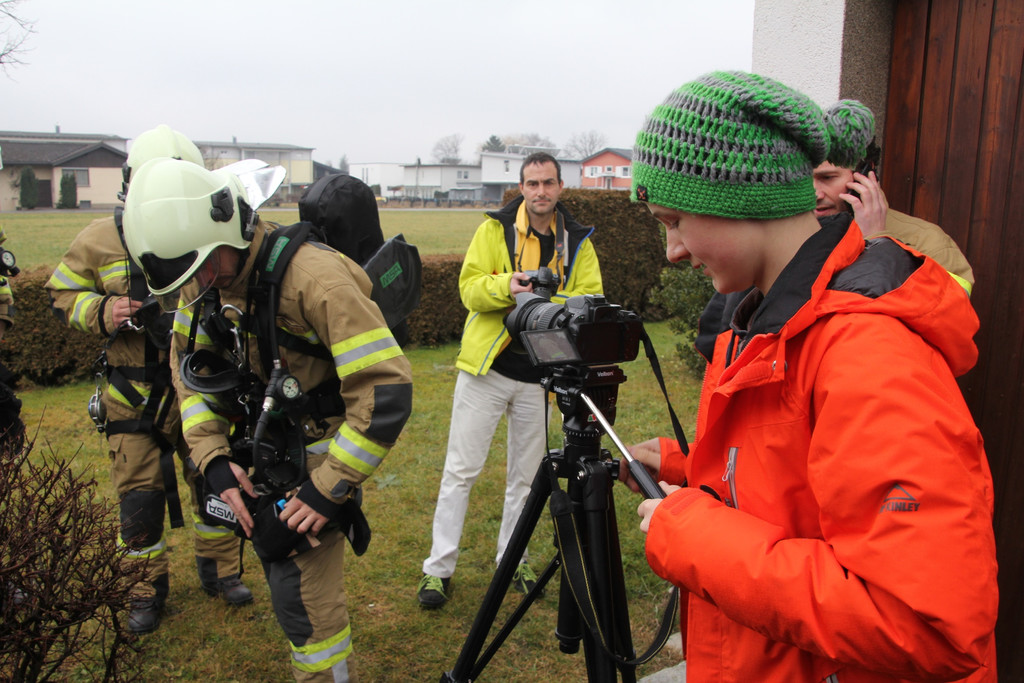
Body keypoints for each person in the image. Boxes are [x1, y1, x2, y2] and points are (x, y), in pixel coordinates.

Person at [621, 71, 997, 682]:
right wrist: (681, 468)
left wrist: (693, 536)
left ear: (740, 200)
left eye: (674, 220)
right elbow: (796, 485)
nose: (674, 250)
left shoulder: (868, 354)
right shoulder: (759, 324)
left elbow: (929, 626)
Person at [122, 157, 412, 682]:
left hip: (321, 454)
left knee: (302, 598)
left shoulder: (315, 279)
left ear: (229, 230)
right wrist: (212, 460)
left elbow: (385, 389)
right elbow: (189, 375)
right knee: (283, 573)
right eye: (187, 272)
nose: (197, 282)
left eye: (203, 266)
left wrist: (327, 489)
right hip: (267, 446)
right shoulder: (202, 276)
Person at [45, 125, 251, 635]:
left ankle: (222, 572)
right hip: (132, 395)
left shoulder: (206, 229)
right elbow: (61, 294)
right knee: (139, 500)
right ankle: (143, 591)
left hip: (198, 388)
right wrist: (103, 310)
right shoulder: (98, 239)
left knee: (213, 479)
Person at [417, 152, 603, 608]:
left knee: (526, 478)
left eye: (548, 183)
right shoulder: (493, 230)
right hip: (489, 370)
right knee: (461, 471)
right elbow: (469, 289)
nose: (541, 191)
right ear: (521, 188)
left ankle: (512, 560)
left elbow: (592, 297)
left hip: (540, 377)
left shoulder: (577, 241)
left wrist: (547, 302)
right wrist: (508, 287)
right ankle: (438, 570)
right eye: (532, 183)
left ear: (560, 187)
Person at [812, 104, 975, 295]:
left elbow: (947, 308)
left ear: (866, 173)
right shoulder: (792, 234)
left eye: (827, 178)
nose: (815, 194)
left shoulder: (926, 242)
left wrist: (875, 245)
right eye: (803, 179)